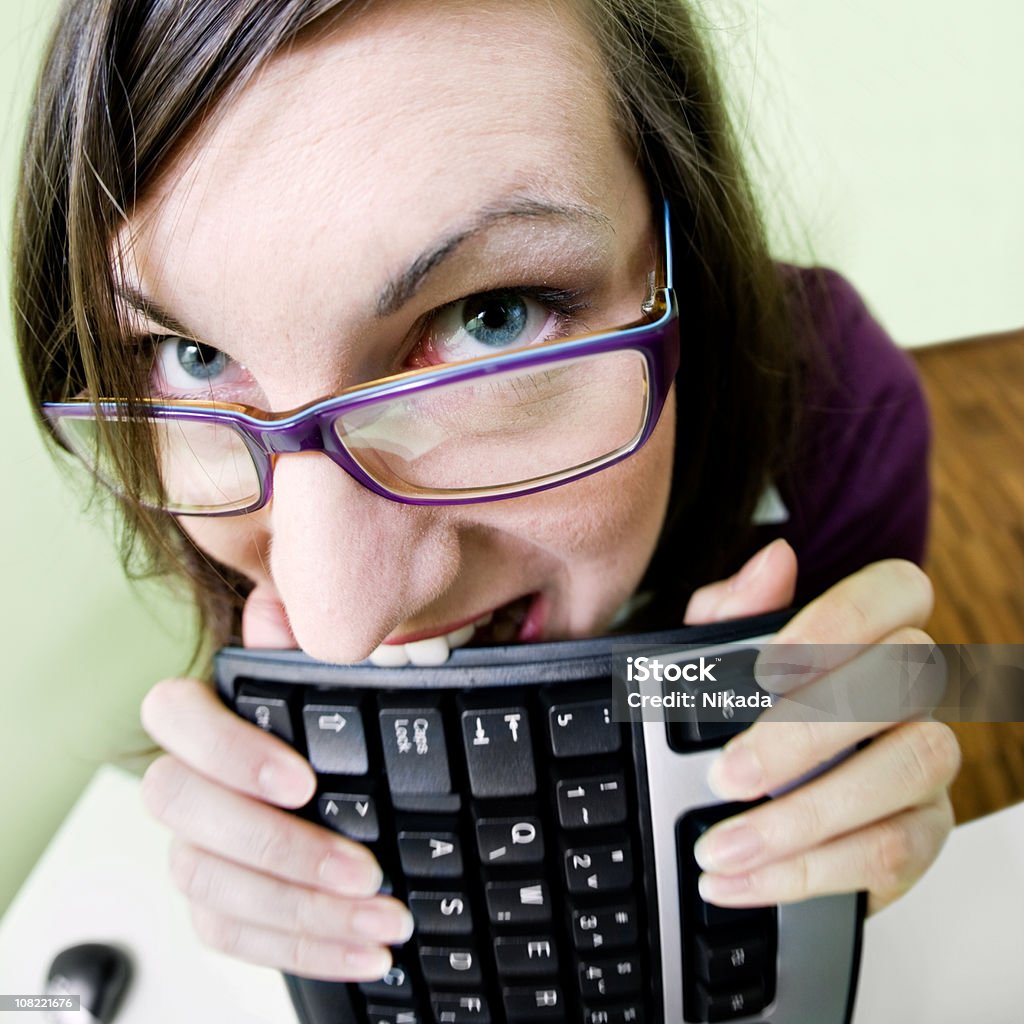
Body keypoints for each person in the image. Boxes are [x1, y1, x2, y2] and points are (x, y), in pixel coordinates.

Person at [13, 0, 960, 983]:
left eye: (490, 317)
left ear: (684, 251)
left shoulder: (842, 402)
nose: (341, 620)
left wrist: (879, 739)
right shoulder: (198, 479)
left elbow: (939, 690)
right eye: (194, 354)